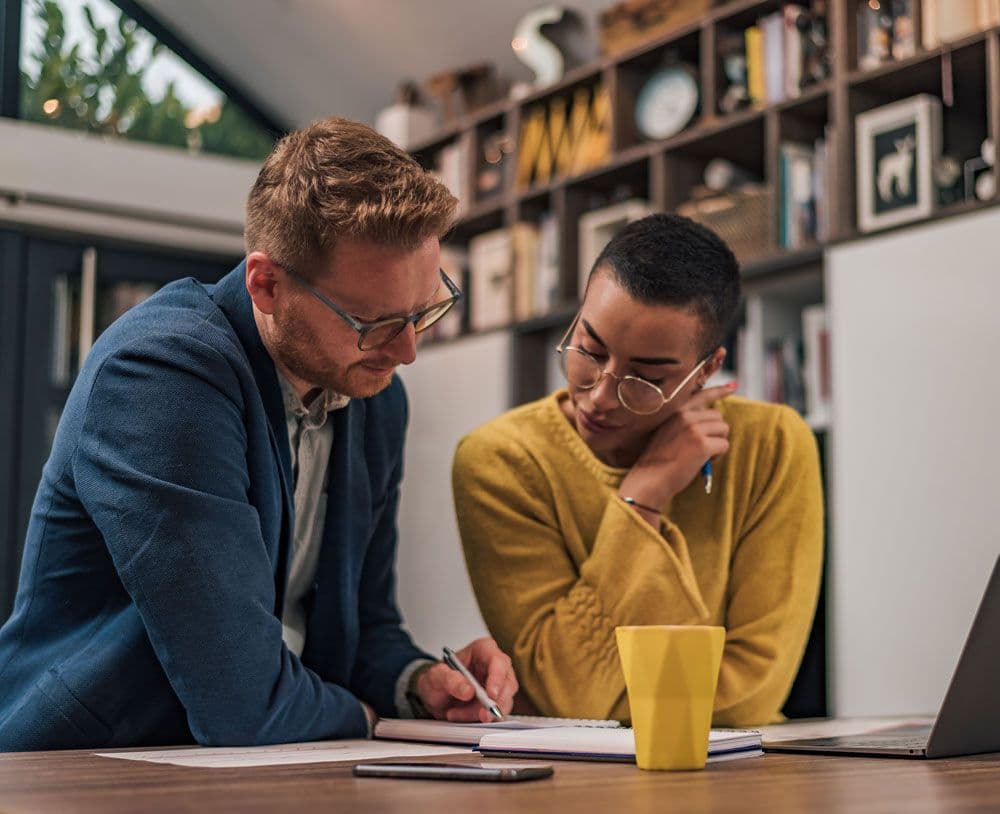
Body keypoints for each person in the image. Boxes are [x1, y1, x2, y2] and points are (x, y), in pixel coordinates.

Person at [0, 118, 516, 752]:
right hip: (90, 767)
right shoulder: (162, 373)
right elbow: (239, 699)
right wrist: (369, 718)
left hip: (269, 759)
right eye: (376, 322)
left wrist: (419, 685)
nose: (407, 351)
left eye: (425, 311)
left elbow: (362, 625)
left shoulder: (374, 395)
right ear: (266, 284)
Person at [453, 213, 822, 728]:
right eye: (589, 349)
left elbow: (752, 695)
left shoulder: (773, 446)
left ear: (707, 369)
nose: (600, 396)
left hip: (744, 776)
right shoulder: (501, 460)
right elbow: (565, 697)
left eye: (647, 377)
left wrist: (609, 707)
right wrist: (643, 496)